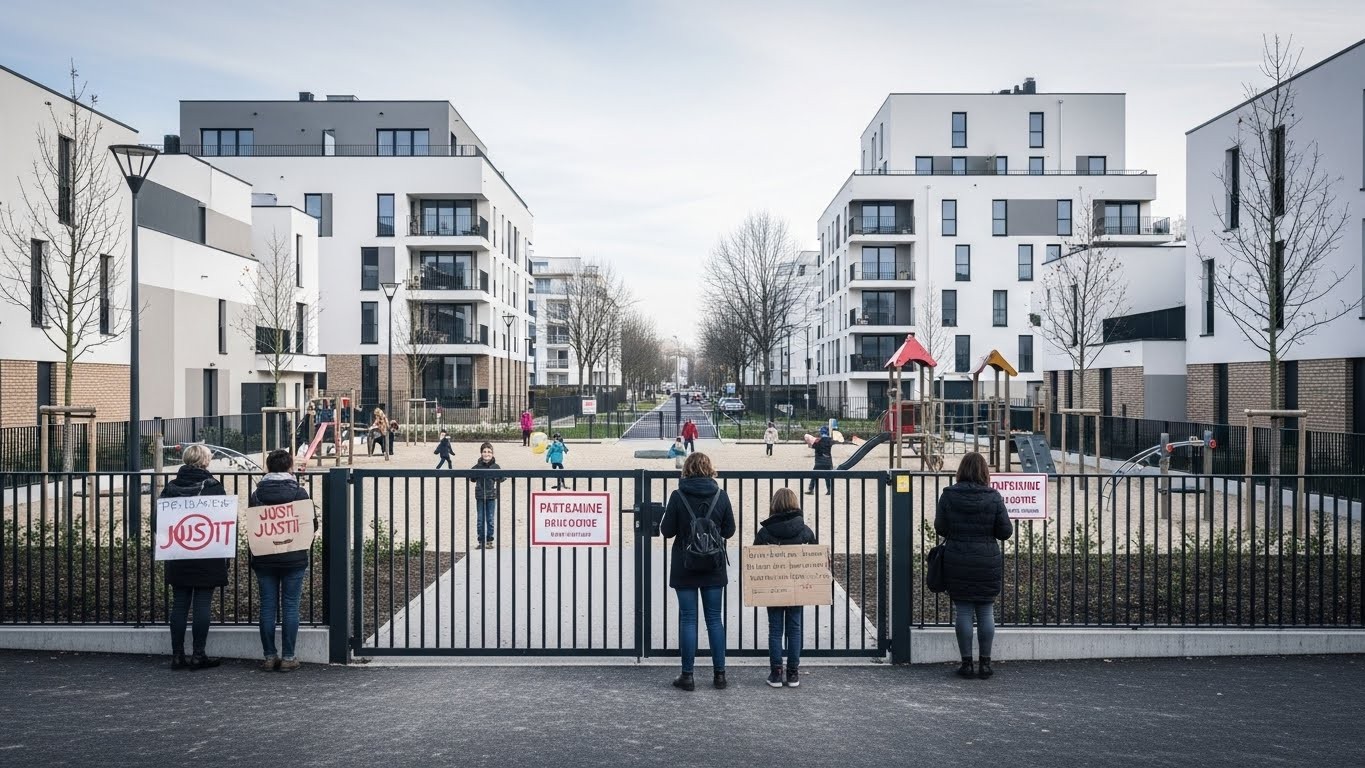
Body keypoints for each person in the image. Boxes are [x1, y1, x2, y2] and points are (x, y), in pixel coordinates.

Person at [659, 452, 736, 692]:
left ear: (687, 470)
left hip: (685, 564)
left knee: (688, 619)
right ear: (710, 469)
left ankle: (688, 675)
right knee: (714, 619)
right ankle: (720, 674)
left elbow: (667, 530)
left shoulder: (678, 495)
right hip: (713, 565)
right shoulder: (720, 496)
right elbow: (730, 530)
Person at [934, 451, 1013, 680]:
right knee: (986, 610)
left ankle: (967, 664)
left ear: (961, 470)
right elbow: (1005, 532)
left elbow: (940, 527)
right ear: (984, 472)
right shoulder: (994, 497)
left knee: (964, 611)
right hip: (986, 559)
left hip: (957, 558)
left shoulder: (948, 495)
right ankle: (985, 664)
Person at [161, 443, 229, 671]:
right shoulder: (214, 487)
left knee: (179, 604)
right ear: (205, 462)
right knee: (202, 604)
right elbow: (224, 522)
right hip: (207, 553)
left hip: (178, 551)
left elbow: (157, 523)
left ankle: (177, 655)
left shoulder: (170, 488)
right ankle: (199, 654)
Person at [249, 449, 313, 673]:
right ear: (290, 467)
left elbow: (254, 524)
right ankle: (288, 656)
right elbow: (309, 525)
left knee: (267, 606)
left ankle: (269, 656)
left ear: (268, 467)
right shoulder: (299, 492)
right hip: (293, 556)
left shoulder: (256, 494)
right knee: (290, 606)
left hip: (264, 556)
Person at [754, 487, 816, 688]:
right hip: (798, 586)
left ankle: (776, 673)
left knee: (775, 629)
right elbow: (815, 560)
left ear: (774, 506)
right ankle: (793, 673)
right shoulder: (805, 531)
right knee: (795, 628)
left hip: (774, 587)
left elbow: (754, 562)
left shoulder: (765, 532)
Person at [468, 442, 504, 549]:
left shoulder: (496, 467)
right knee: (480, 519)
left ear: (492, 453)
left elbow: (501, 478)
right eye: (484, 452)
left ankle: (489, 540)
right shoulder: (476, 467)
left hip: (491, 496)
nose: (486, 454)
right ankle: (481, 540)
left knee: (490, 519)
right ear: (481, 453)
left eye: (489, 452)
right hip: (480, 495)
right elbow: (472, 478)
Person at [805, 426, 833, 495]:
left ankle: (811, 489)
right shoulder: (830, 441)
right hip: (828, 461)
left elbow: (810, 444)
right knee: (827, 477)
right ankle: (829, 490)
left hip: (819, 461)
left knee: (814, 476)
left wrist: (811, 441)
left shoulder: (817, 441)